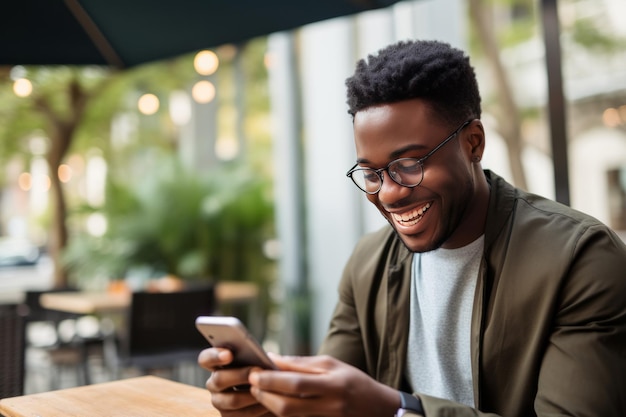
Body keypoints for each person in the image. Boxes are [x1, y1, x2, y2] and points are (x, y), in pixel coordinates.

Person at [198, 39, 626, 416]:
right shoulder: (368, 262)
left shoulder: (581, 260)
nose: (387, 194)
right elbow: (335, 400)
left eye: (408, 165)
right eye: (371, 173)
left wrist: (396, 411)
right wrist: (270, 402)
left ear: (473, 142)